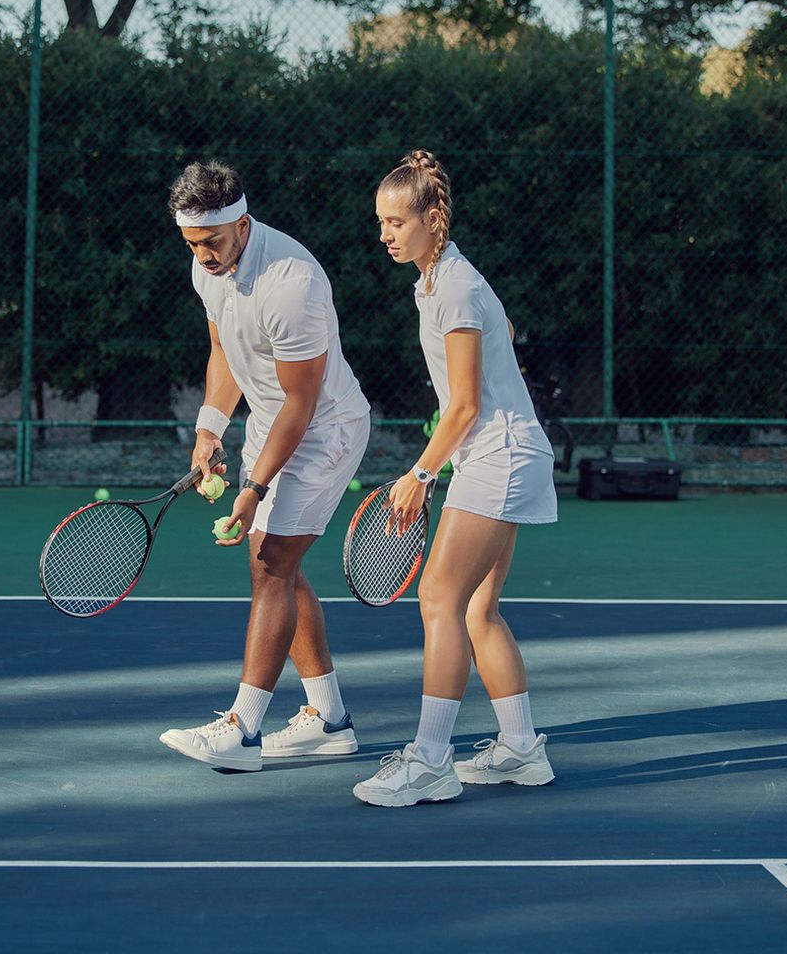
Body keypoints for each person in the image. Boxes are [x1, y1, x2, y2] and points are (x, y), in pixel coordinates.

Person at [352, 149, 558, 807]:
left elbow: (464, 403)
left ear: (432, 217)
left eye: (396, 222)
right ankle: (521, 748)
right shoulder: (441, 283)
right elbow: (498, 349)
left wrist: (421, 473)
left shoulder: (458, 287)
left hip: (497, 456)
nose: (386, 234)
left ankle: (431, 760)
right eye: (381, 222)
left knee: (439, 597)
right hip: (503, 453)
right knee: (475, 607)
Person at [158, 160, 372, 773]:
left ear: (243, 225)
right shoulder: (208, 267)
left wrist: (253, 487)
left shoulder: (292, 283)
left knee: (272, 561)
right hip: (268, 423)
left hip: (324, 431)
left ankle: (242, 729)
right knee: (272, 562)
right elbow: (222, 348)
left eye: (212, 243)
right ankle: (328, 719)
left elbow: (301, 404)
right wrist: (207, 428)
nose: (201, 255)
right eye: (191, 244)